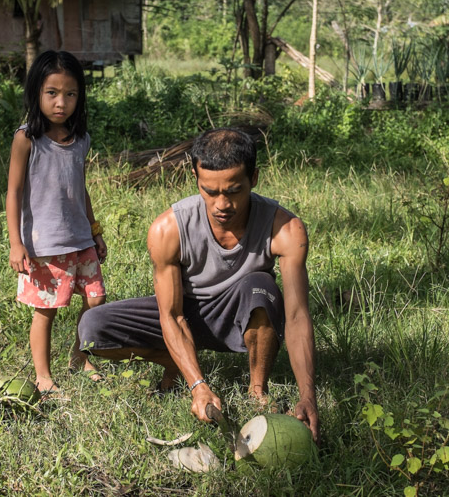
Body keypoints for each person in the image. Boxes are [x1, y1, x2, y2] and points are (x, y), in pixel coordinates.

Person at [78, 128, 319, 441]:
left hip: (240, 312)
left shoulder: (285, 228)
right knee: (93, 327)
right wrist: (198, 385)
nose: (222, 204)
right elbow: (172, 315)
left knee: (262, 287)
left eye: (233, 191)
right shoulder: (168, 229)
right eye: (210, 191)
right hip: (186, 311)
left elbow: (298, 316)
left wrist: (308, 396)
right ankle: (181, 365)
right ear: (195, 177)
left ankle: (257, 389)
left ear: (254, 178)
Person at [6, 50, 108, 396]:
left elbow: (81, 188)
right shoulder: (26, 139)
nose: (61, 102)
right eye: (52, 93)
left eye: (70, 94)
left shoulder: (81, 140)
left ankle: (81, 356)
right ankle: (42, 374)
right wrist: (16, 243)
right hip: (44, 245)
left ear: (80, 96)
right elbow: (14, 192)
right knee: (46, 311)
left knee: (94, 301)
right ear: (36, 93)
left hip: (80, 239)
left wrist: (95, 231)